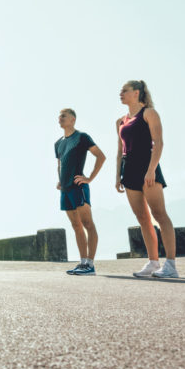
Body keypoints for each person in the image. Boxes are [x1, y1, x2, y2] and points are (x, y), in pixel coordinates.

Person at [116, 80, 178, 278]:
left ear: (136, 93)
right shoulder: (120, 121)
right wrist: (118, 175)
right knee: (142, 218)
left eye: (124, 90)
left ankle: (170, 265)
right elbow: (120, 151)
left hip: (147, 166)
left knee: (159, 214)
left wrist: (151, 169)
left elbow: (158, 142)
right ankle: (153, 262)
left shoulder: (149, 113)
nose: (121, 93)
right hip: (129, 170)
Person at [55, 108, 106, 276]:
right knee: (75, 225)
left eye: (64, 116)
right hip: (66, 189)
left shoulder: (82, 137)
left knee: (87, 224)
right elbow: (60, 164)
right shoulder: (58, 143)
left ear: (73, 119)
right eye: (59, 116)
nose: (60, 118)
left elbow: (100, 156)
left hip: (78, 186)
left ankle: (90, 264)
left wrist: (89, 178)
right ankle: (83, 262)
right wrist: (60, 181)